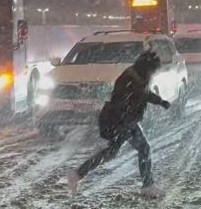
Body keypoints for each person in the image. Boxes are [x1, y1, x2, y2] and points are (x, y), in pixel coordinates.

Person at [69, 50, 171, 198]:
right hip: (122, 121)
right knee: (143, 148)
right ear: (147, 67)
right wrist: (125, 121)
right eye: (153, 70)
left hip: (122, 120)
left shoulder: (136, 76)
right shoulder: (131, 79)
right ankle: (148, 185)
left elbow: (144, 94)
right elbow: (127, 99)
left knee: (111, 152)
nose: (153, 74)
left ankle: (78, 174)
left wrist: (160, 101)